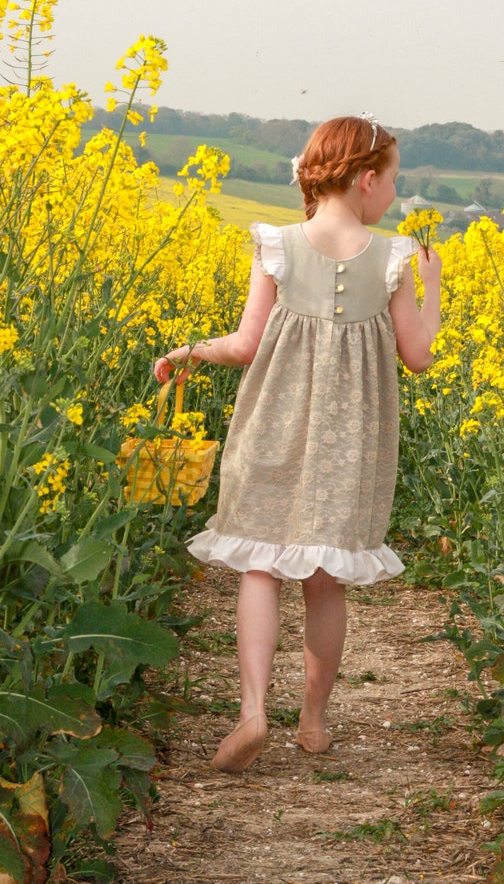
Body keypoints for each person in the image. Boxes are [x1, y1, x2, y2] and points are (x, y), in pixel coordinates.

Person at [154, 114, 441, 773]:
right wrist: (435, 287)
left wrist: (190, 350)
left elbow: (245, 344)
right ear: (367, 180)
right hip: (352, 442)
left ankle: (253, 711)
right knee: (323, 578)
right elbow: (418, 354)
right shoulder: (391, 256)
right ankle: (313, 719)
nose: (395, 193)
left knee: (259, 566)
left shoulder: (277, 243)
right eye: (393, 179)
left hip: (271, 424)